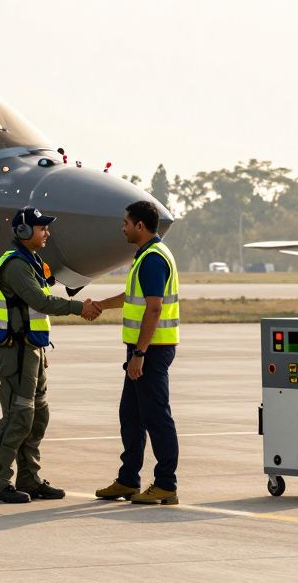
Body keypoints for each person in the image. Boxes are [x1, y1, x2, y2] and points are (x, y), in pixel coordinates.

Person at [0, 206, 100, 503]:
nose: (47, 232)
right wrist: (80, 308)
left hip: (33, 352)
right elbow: (41, 301)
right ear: (24, 232)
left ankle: (29, 479)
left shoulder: (32, 262)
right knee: (17, 418)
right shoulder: (15, 266)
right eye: (42, 228)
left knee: (37, 418)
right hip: (16, 353)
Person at [92, 200, 181, 505]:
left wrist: (140, 354)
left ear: (140, 226)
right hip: (142, 349)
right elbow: (135, 298)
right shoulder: (145, 256)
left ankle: (166, 484)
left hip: (152, 350)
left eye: (126, 223)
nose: (123, 228)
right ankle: (128, 480)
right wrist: (101, 305)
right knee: (130, 416)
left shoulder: (154, 259)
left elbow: (154, 309)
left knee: (157, 417)